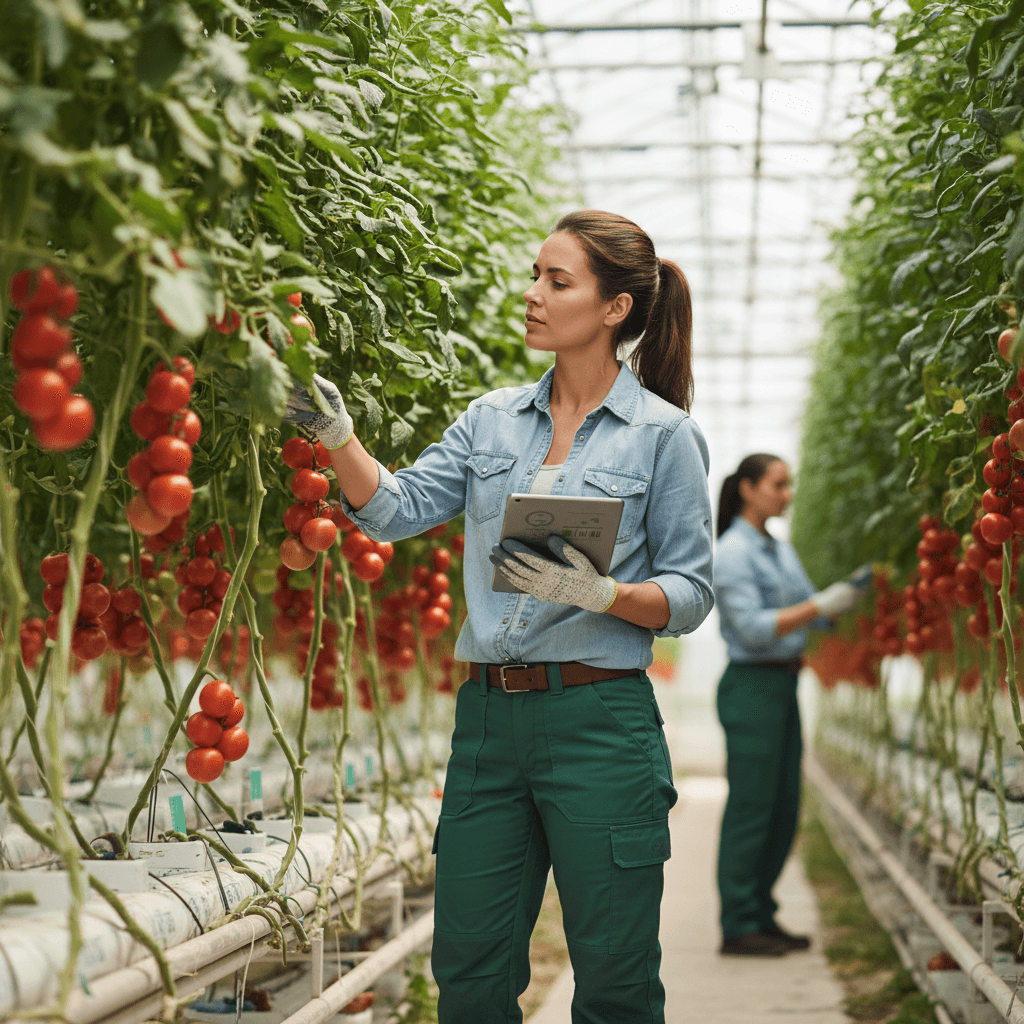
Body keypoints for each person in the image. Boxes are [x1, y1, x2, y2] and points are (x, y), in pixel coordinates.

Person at [284, 209, 714, 1023]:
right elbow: (396, 509)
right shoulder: (491, 420)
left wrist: (602, 595)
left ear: (615, 307)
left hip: (601, 722)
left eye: (558, 281)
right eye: (534, 275)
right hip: (487, 721)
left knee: (616, 979)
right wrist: (338, 436)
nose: (533, 295)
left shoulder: (664, 438)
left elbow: (689, 593)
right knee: (472, 974)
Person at [712, 454, 868, 957]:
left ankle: (761, 913)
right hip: (752, 687)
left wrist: (846, 598)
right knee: (752, 807)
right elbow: (754, 629)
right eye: (779, 485)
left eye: (789, 484)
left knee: (782, 807)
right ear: (748, 489)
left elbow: (808, 611)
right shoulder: (733, 552)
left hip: (781, 687)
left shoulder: (779, 550)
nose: (787, 493)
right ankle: (737, 924)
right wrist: (818, 606)